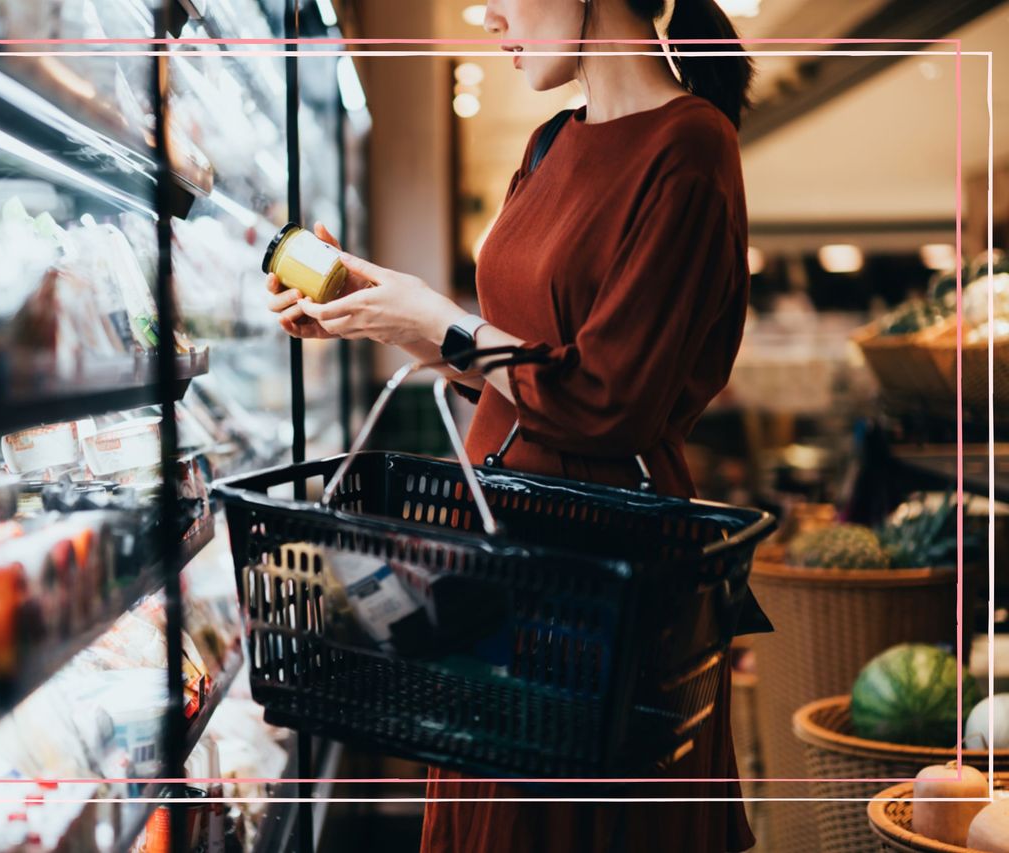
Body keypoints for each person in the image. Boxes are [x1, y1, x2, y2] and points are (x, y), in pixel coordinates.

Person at [266, 0, 756, 849]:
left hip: (596, 573)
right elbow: (526, 371)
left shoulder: (690, 145)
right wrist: (392, 316)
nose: (486, 15)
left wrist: (442, 320)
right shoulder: (548, 144)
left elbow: (607, 399)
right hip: (503, 554)